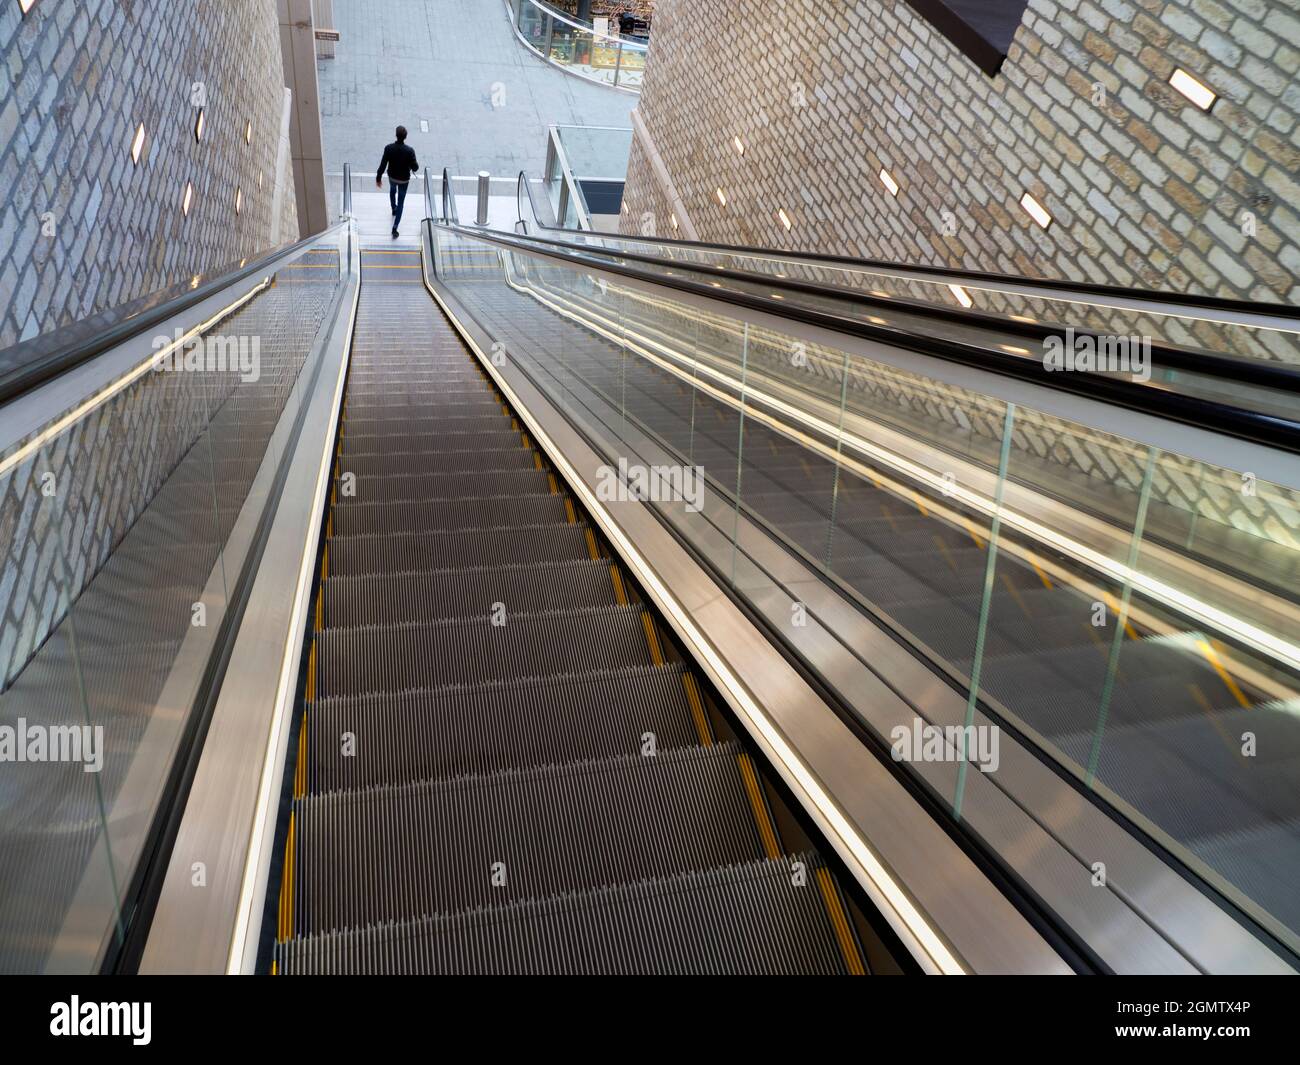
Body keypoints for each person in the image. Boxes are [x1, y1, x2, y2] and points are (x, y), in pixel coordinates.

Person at [376, 126, 419, 238]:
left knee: (392, 189)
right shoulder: (410, 151)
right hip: (404, 180)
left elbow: (383, 165)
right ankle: (395, 227)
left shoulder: (388, 148)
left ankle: (393, 208)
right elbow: (415, 168)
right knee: (401, 202)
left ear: (396, 135)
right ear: (405, 137)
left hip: (392, 177)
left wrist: (378, 178)